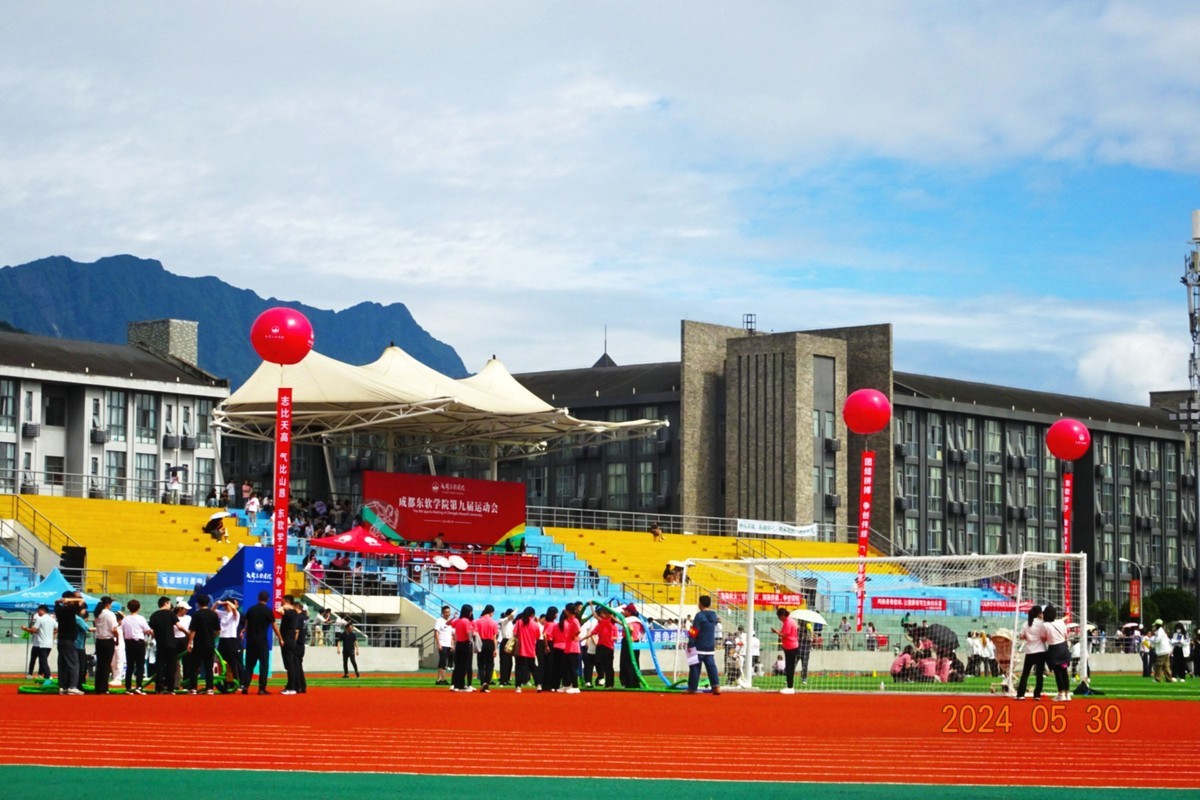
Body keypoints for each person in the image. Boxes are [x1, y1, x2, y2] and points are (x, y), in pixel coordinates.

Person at [241, 591, 274, 694]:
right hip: (262, 641)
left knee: (249, 665)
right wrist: (280, 638)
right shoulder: (268, 611)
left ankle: (245, 686)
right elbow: (274, 626)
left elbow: (247, 624)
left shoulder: (251, 610)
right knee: (264, 665)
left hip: (251, 640)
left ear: (258, 598)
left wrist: (244, 630)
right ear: (267, 599)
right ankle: (261, 688)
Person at [686, 595, 720, 695]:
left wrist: (690, 644)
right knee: (711, 667)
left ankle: (692, 688)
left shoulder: (699, 616)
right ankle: (716, 686)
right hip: (710, 647)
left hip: (698, 646)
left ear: (700, 604)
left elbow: (694, 631)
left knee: (694, 667)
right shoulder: (714, 615)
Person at [53, 591, 86, 695]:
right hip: (69, 640)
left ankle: (62, 687)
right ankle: (72, 686)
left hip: (61, 639)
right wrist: (71, 600)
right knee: (74, 664)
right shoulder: (70, 609)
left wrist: (61, 600)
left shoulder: (59, 608)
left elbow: (56, 602)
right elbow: (82, 600)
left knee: (62, 664)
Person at [187, 594, 221, 694]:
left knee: (194, 667)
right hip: (210, 644)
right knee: (208, 667)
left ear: (198, 603)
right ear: (208, 602)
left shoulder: (196, 615)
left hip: (198, 644)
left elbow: (193, 630)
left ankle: (193, 688)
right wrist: (212, 638)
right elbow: (218, 630)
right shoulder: (213, 614)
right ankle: (209, 688)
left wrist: (190, 642)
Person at [120, 599, 152, 694]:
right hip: (138, 642)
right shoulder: (141, 618)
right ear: (138, 608)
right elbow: (147, 630)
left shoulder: (125, 619)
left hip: (129, 643)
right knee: (140, 665)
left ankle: (128, 687)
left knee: (130, 666)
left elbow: (123, 631)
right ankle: (139, 686)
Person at [1015, 605, 1046, 701]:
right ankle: (1037, 695)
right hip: (1040, 650)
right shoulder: (1042, 624)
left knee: (1025, 674)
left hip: (1030, 651)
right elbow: (1044, 637)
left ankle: (1020, 694)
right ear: (1039, 613)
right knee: (1039, 674)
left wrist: (1029, 637)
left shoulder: (1026, 623)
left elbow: (1021, 636)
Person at [147, 597, 178, 694]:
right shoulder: (171, 614)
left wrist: (156, 637)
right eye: (169, 603)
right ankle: (170, 688)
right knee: (171, 667)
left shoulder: (154, 615)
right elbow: (179, 626)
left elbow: (151, 631)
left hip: (160, 644)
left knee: (159, 666)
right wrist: (188, 634)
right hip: (171, 644)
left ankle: (159, 688)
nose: (170, 605)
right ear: (165, 603)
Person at [1041, 604, 1071, 701]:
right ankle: (1067, 694)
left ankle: (1060, 693)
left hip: (1054, 649)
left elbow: (1043, 638)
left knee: (1058, 672)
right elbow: (1066, 635)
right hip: (1063, 647)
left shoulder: (1045, 625)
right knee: (1064, 672)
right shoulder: (1060, 623)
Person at [92, 596, 119, 694]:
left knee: (100, 665)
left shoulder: (97, 614)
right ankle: (104, 688)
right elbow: (114, 629)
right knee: (106, 665)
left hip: (99, 641)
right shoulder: (110, 614)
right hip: (108, 640)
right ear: (108, 604)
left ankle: (98, 687)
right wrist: (117, 636)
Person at [21, 605, 56, 681]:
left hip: (41, 644)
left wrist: (25, 628)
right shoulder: (52, 619)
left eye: (38, 610)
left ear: (42, 610)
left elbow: (33, 630)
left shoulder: (40, 619)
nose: (38, 612)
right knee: (42, 660)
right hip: (48, 644)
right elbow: (58, 628)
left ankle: (48, 676)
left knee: (43, 661)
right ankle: (43, 675)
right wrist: (51, 633)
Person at [772, 606, 800, 694]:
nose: (780, 619)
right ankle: (789, 686)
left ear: (783, 615)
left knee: (789, 667)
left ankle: (790, 687)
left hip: (791, 647)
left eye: (780, 617)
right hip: (791, 646)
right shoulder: (790, 621)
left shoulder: (788, 622)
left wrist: (776, 632)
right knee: (789, 667)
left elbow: (785, 635)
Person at [215, 598, 243, 688]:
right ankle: (225, 681)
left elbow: (234, 609)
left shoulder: (235, 614)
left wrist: (227, 602)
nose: (225, 606)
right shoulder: (222, 613)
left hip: (231, 639)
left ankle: (233, 682)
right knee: (222, 662)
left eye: (227, 605)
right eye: (224, 605)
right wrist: (217, 603)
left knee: (232, 662)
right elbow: (211, 611)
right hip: (222, 639)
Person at [278, 594, 302, 695]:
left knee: (290, 664)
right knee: (289, 664)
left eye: (283, 602)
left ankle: (291, 687)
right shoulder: (295, 613)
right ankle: (290, 685)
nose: (281, 603)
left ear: (287, 602)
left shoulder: (289, 612)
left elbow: (278, 610)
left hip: (287, 641)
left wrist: (285, 607)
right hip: (290, 640)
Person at [512, 606, 540, 693]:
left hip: (520, 650)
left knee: (519, 668)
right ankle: (538, 685)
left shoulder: (519, 622)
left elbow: (514, 634)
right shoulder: (535, 624)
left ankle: (518, 687)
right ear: (532, 614)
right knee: (533, 668)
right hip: (531, 650)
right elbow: (538, 636)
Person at [589, 606, 617, 690]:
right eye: (600, 614)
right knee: (598, 662)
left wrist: (612, 638)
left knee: (609, 666)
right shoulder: (601, 624)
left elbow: (616, 637)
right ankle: (601, 678)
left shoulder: (610, 624)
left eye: (603, 614)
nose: (601, 615)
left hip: (608, 647)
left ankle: (610, 684)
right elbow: (592, 633)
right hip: (600, 646)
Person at [451, 603, 475, 692]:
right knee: (465, 666)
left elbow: (450, 623)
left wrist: (454, 617)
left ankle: (457, 684)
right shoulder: (466, 621)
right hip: (465, 644)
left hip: (459, 644)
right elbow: (468, 633)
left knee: (458, 665)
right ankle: (459, 684)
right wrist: (471, 641)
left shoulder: (458, 620)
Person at [475, 605, 499, 692]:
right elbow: (494, 637)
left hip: (480, 642)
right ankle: (487, 683)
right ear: (491, 612)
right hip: (490, 643)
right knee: (490, 665)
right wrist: (495, 649)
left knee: (481, 664)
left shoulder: (477, 621)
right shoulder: (494, 622)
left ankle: (482, 682)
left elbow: (475, 634)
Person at [434, 605, 454, 685]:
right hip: (442, 644)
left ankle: (438, 679)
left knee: (441, 662)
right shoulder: (439, 621)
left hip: (448, 644)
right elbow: (436, 632)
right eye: (445, 612)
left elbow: (451, 634)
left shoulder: (451, 622)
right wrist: (438, 643)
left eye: (448, 612)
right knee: (443, 662)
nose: (447, 614)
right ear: (442, 613)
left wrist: (452, 644)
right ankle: (443, 679)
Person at [497, 608, 515, 686]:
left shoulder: (511, 623)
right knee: (504, 662)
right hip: (505, 641)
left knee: (510, 662)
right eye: (512, 615)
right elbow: (502, 620)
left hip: (510, 641)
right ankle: (502, 680)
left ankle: (507, 679)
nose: (513, 616)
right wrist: (508, 617)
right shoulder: (504, 620)